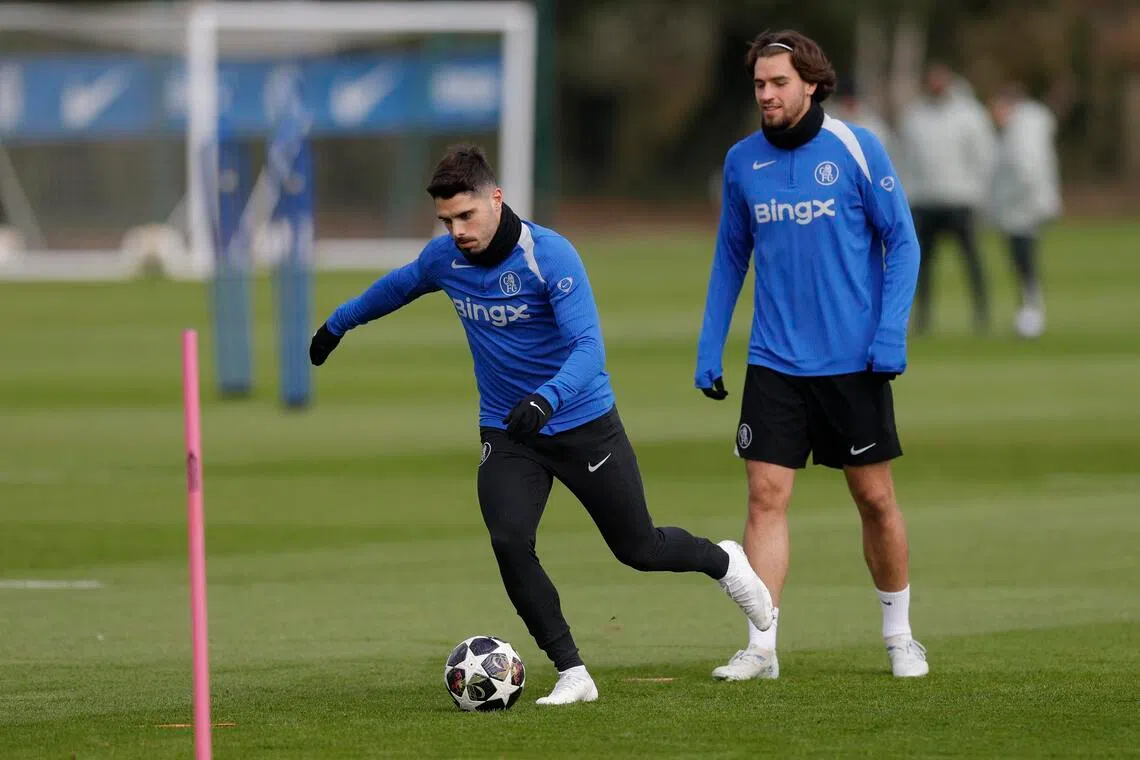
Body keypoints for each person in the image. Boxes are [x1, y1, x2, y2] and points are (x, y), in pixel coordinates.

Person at [309, 144, 774, 705]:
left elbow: (589, 349)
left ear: (496, 198)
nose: (457, 231)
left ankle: (725, 561)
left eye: (466, 216)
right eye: (447, 221)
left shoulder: (548, 255)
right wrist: (337, 325)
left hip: (582, 423)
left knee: (640, 548)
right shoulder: (444, 260)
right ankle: (572, 671)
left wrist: (546, 399)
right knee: (509, 539)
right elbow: (395, 287)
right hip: (509, 431)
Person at [694, 30, 928, 680]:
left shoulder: (857, 147)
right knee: (765, 498)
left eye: (779, 83)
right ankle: (761, 646)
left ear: (812, 84)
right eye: (760, 84)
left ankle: (900, 636)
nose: (767, 95)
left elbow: (903, 241)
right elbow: (731, 256)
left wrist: (890, 333)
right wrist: (711, 343)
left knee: (874, 498)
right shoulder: (742, 161)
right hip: (774, 362)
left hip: (853, 363)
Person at [899, 63, 996, 334]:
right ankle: (922, 318)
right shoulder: (915, 117)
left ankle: (982, 314)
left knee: (971, 260)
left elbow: (984, 156)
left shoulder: (969, 115)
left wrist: (977, 193)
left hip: (959, 200)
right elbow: (904, 158)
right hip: (924, 200)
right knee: (922, 264)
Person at [987, 82, 1061, 338]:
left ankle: (1031, 315)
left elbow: (1025, 170)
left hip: (1022, 210)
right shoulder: (1025, 127)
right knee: (1023, 262)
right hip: (1025, 207)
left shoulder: (1022, 131)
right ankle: (1028, 311)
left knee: (1024, 262)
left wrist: (1007, 203)